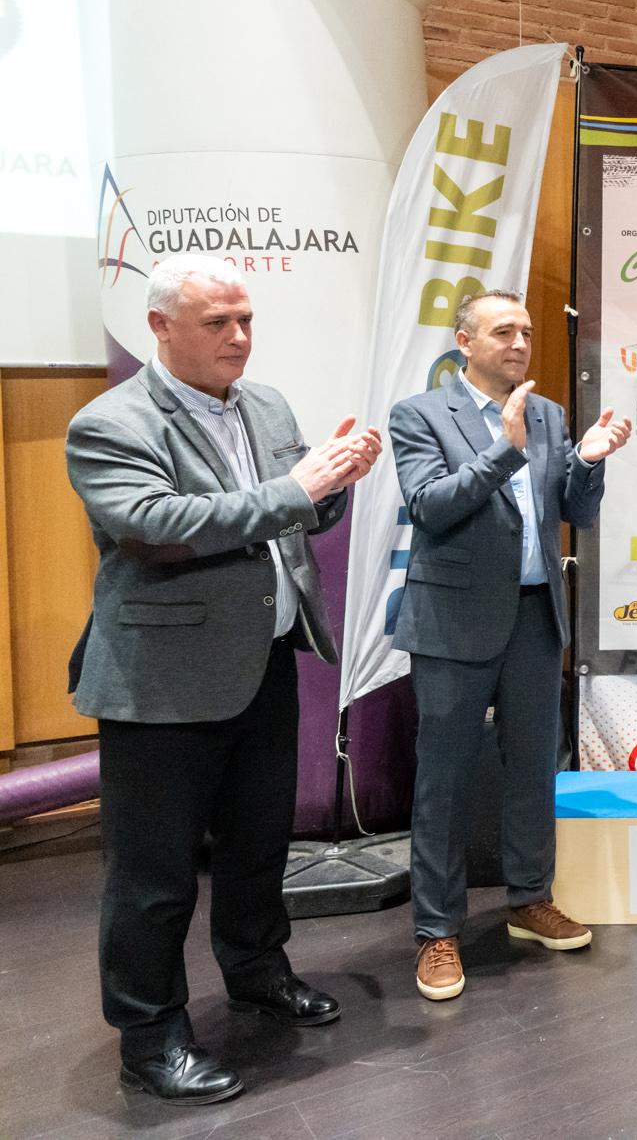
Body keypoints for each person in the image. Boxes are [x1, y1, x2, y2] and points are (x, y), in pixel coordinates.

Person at [66, 254, 381, 1105]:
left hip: (262, 664)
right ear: (160, 326)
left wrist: (333, 481)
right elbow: (154, 526)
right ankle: (150, 1037)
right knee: (154, 876)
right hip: (161, 682)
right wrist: (296, 488)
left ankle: (256, 970)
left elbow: (295, 510)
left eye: (245, 319)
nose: (239, 337)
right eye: (217, 322)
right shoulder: (110, 422)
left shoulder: (266, 404)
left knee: (257, 845)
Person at [390, 290, 631, 1002]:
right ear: (465, 342)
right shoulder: (420, 414)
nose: (520, 342)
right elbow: (429, 507)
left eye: (526, 331)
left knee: (533, 769)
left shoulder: (550, 413)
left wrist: (588, 462)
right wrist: (505, 449)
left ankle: (530, 898)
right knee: (444, 780)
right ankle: (437, 929)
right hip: (452, 622)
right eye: (503, 331)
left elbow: (575, 511)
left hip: (534, 617)